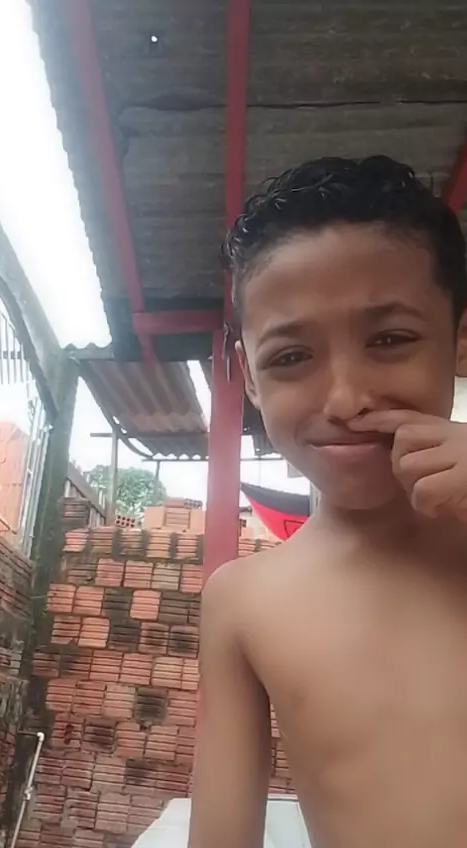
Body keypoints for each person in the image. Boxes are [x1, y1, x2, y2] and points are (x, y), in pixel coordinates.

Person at [188, 156, 467, 848]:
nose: (345, 400)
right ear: (251, 380)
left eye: (390, 340)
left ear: (460, 341)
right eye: (291, 357)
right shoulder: (244, 602)